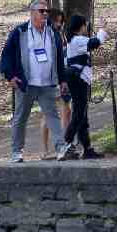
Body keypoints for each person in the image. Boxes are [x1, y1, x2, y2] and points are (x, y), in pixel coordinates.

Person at [0, 0, 68, 163]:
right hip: (26, 84)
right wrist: (9, 76)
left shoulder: (53, 33)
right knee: (20, 117)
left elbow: (59, 58)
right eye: (41, 11)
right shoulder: (20, 32)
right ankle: (16, 152)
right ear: (32, 13)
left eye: (47, 11)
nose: (45, 14)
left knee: (52, 115)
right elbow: (6, 56)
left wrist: (62, 79)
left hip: (47, 83)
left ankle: (60, 147)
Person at [60, 15, 108, 160]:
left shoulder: (71, 42)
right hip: (79, 80)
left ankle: (87, 148)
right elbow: (96, 42)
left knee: (82, 115)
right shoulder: (77, 40)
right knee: (79, 114)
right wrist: (101, 28)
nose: (86, 28)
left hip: (78, 79)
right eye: (85, 26)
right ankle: (67, 143)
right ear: (80, 26)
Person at [41, 8, 72, 160]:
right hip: (49, 78)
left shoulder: (61, 34)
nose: (59, 24)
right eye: (56, 21)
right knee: (48, 114)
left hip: (63, 75)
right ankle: (46, 149)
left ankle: (65, 143)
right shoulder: (46, 34)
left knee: (67, 109)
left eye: (61, 21)